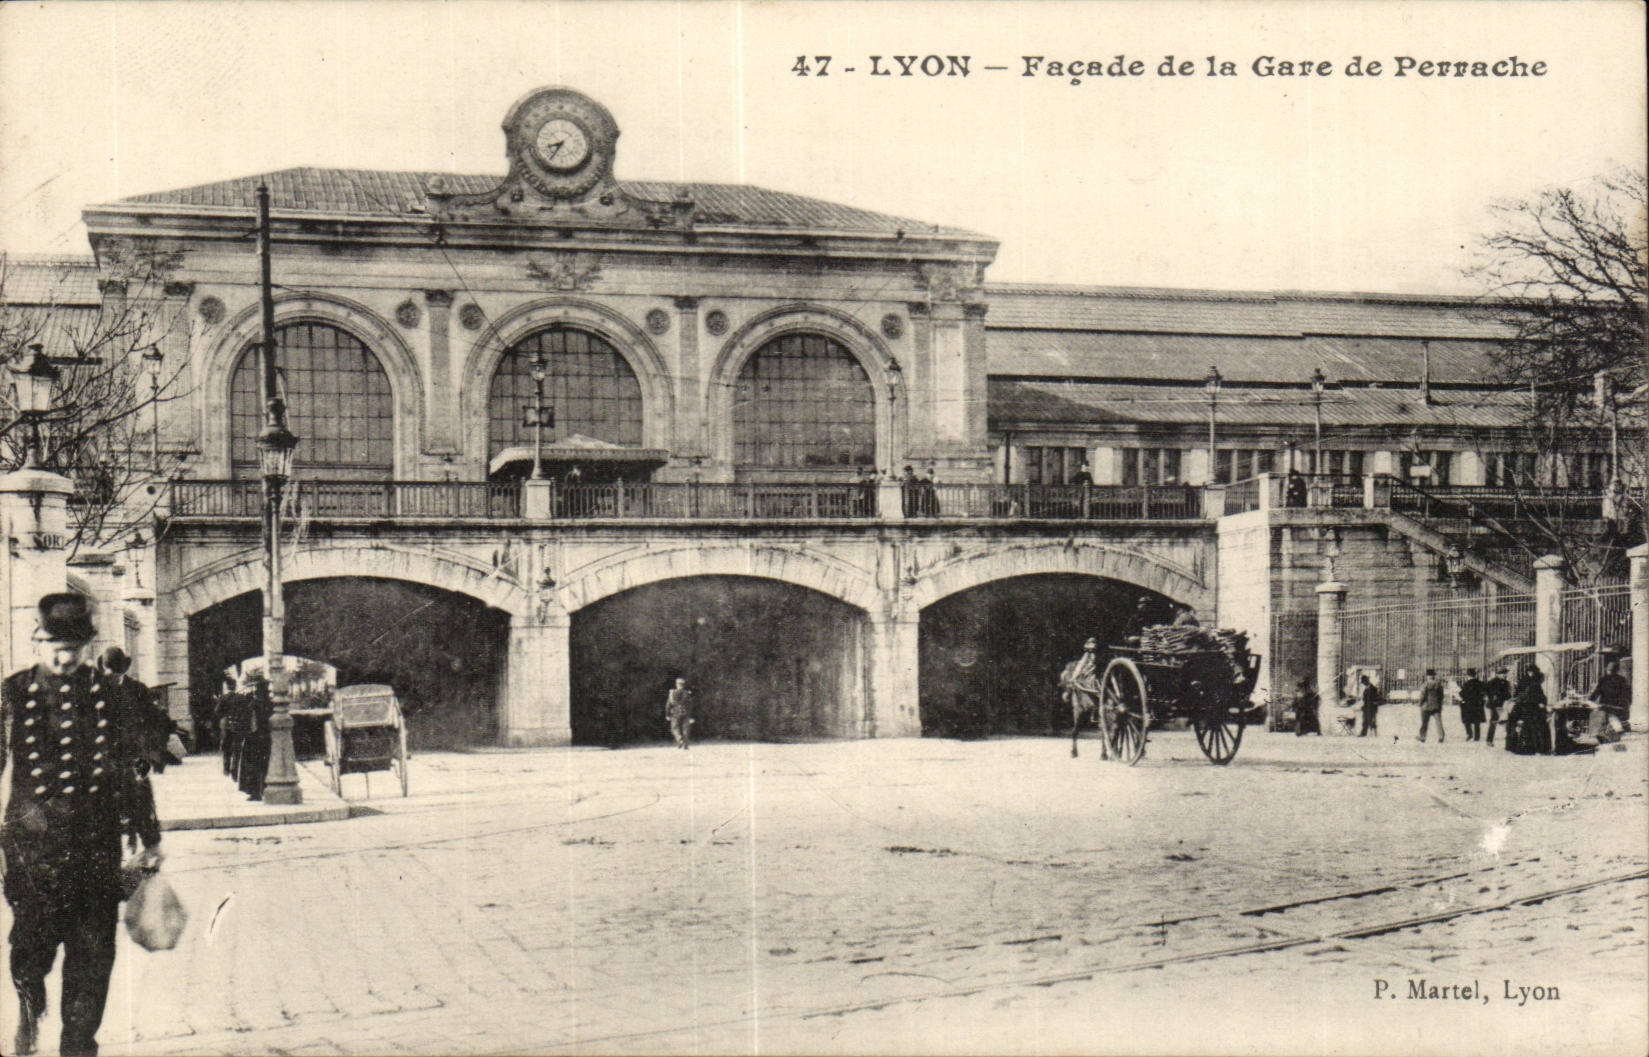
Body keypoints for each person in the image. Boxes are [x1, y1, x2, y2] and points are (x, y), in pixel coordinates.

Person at [2, 594, 162, 1056]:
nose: (63, 655)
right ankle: (30, 1009)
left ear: (88, 646)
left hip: (96, 845)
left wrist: (149, 838)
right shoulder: (11, 693)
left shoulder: (112, 695)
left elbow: (133, 766)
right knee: (30, 952)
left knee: (92, 956)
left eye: (73, 646)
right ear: (37, 641)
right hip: (31, 850)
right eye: (54, 644)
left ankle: (78, 1044)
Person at [1505, 666, 1552, 755]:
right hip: (1530, 709)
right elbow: (1537, 697)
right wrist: (1541, 703)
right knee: (1536, 727)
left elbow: (1519, 695)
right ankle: (1536, 747)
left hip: (1523, 708)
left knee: (1527, 728)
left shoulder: (1525, 681)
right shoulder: (1534, 685)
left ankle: (1524, 747)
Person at [1590, 657, 1631, 732]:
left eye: (1611, 670)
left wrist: (1590, 700)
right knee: (1608, 717)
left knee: (1607, 716)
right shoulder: (1604, 679)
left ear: (1616, 671)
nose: (1610, 672)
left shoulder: (1619, 680)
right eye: (1609, 670)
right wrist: (1590, 700)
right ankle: (1614, 728)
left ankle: (1613, 729)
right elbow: (1597, 691)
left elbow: (1626, 694)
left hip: (1612, 706)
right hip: (1609, 705)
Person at [1483, 665, 1512, 747]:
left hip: (1503, 704)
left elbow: (1507, 693)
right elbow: (1486, 691)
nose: (1504, 675)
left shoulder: (1505, 682)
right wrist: (1492, 696)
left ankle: (1508, 739)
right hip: (1494, 705)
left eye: (1505, 674)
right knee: (1494, 721)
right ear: (1498, 674)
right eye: (1502, 674)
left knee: (1503, 721)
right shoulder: (1492, 682)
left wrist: (1509, 698)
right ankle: (1489, 740)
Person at [1416, 669, 1447, 743]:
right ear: (1434, 676)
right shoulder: (1438, 684)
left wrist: (1419, 703)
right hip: (1436, 706)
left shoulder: (1425, 684)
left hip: (1426, 706)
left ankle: (1422, 737)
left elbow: (1422, 695)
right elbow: (1441, 695)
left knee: (1424, 722)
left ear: (1427, 676)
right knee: (1438, 722)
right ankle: (1441, 736)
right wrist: (1440, 704)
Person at [1456, 667, 1486, 742]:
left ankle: (1469, 734)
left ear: (1468, 675)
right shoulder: (1480, 683)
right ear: (1475, 675)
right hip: (1477, 704)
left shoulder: (1466, 684)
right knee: (1477, 721)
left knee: (1467, 721)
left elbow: (1462, 694)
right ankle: (1477, 736)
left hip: (1468, 704)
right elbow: (1484, 692)